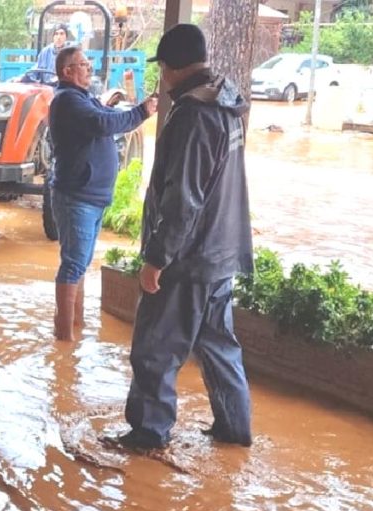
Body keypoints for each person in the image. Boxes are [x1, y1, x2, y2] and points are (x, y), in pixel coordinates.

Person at [111, 24, 254, 451]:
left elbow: (184, 197)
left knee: (154, 348)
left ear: (171, 68)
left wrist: (157, 257)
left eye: (163, 70)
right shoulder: (227, 99)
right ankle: (235, 429)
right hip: (221, 253)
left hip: (189, 257)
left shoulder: (193, 113)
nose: (162, 78)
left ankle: (148, 436)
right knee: (219, 346)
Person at [48, 46, 157, 342]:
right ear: (67, 71)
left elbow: (106, 114)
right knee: (74, 263)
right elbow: (104, 123)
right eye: (83, 64)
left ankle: (74, 326)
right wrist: (142, 112)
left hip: (89, 196)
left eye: (88, 63)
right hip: (78, 196)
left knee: (78, 262)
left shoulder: (82, 98)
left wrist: (127, 109)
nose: (89, 68)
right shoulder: (68, 100)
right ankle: (64, 338)